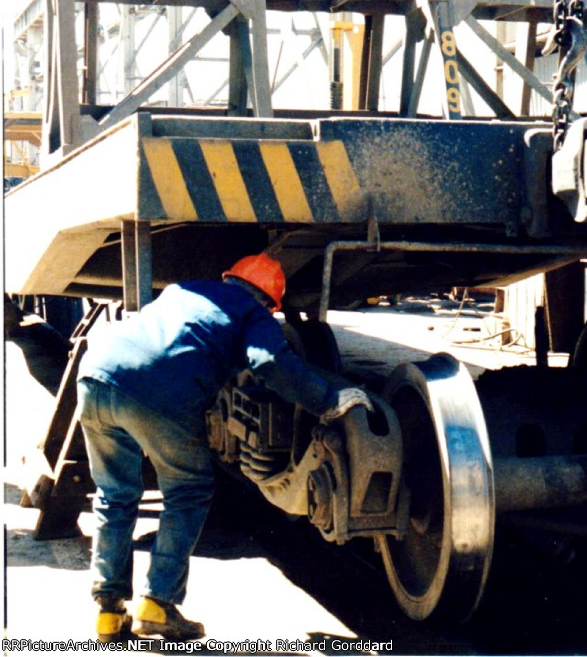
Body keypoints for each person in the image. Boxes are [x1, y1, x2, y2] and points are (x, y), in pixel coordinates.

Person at [76, 253, 369, 642]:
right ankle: (157, 604)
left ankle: (109, 614)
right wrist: (328, 400)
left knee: (115, 494)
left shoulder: (184, 289)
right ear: (270, 301)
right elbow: (269, 362)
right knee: (188, 491)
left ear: (229, 277)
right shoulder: (254, 312)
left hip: (95, 373)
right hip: (156, 393)